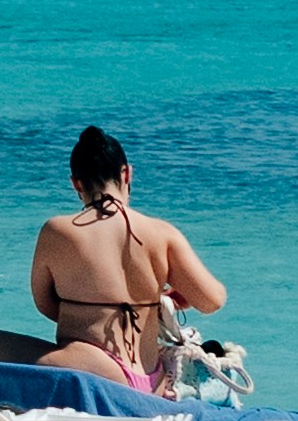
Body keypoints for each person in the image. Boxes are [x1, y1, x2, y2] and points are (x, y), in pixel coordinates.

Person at [30, 128, 223, 387]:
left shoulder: (57, 231)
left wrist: (88, 313)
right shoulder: (162, 232)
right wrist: (162, 298)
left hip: (92, 372)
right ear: (126, 173)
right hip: (150, 378)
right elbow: (212, 301)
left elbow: (46, 305)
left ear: (76, 183)